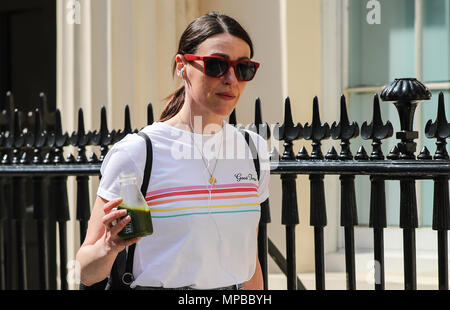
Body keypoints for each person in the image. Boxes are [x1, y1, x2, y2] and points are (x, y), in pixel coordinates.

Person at [76, 11, 270, 290]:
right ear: (182, 66)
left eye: (243, 68)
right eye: (216, 65)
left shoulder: (253, 150)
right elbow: (85, 271)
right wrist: (110, 245)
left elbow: (248, 262)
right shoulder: (138, 153)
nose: (231, 79)